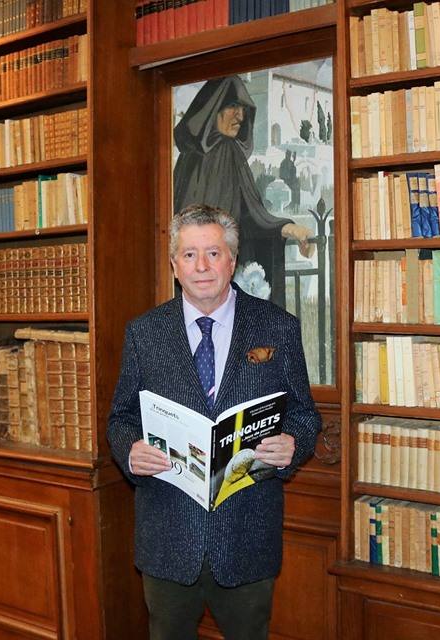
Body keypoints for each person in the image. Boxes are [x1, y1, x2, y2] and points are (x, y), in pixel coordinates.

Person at [107, 204, 321, 640]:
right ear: (174, 265)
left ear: (232, 260)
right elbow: (121, 417)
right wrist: (130, 451)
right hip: (168, 537)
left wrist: (293, 444)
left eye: (213, 253)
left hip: (247, 535)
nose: (201, 266)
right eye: (189, 255)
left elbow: (304, 414)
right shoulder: (144, 333)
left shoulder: (278, 327)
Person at [173, 75, 314, 307]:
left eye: (242, 108)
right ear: (212, 108)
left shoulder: (225, 152)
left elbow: (250, 214)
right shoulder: (193, 157)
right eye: (232, 106)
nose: (240, 116)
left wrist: (289, 228)